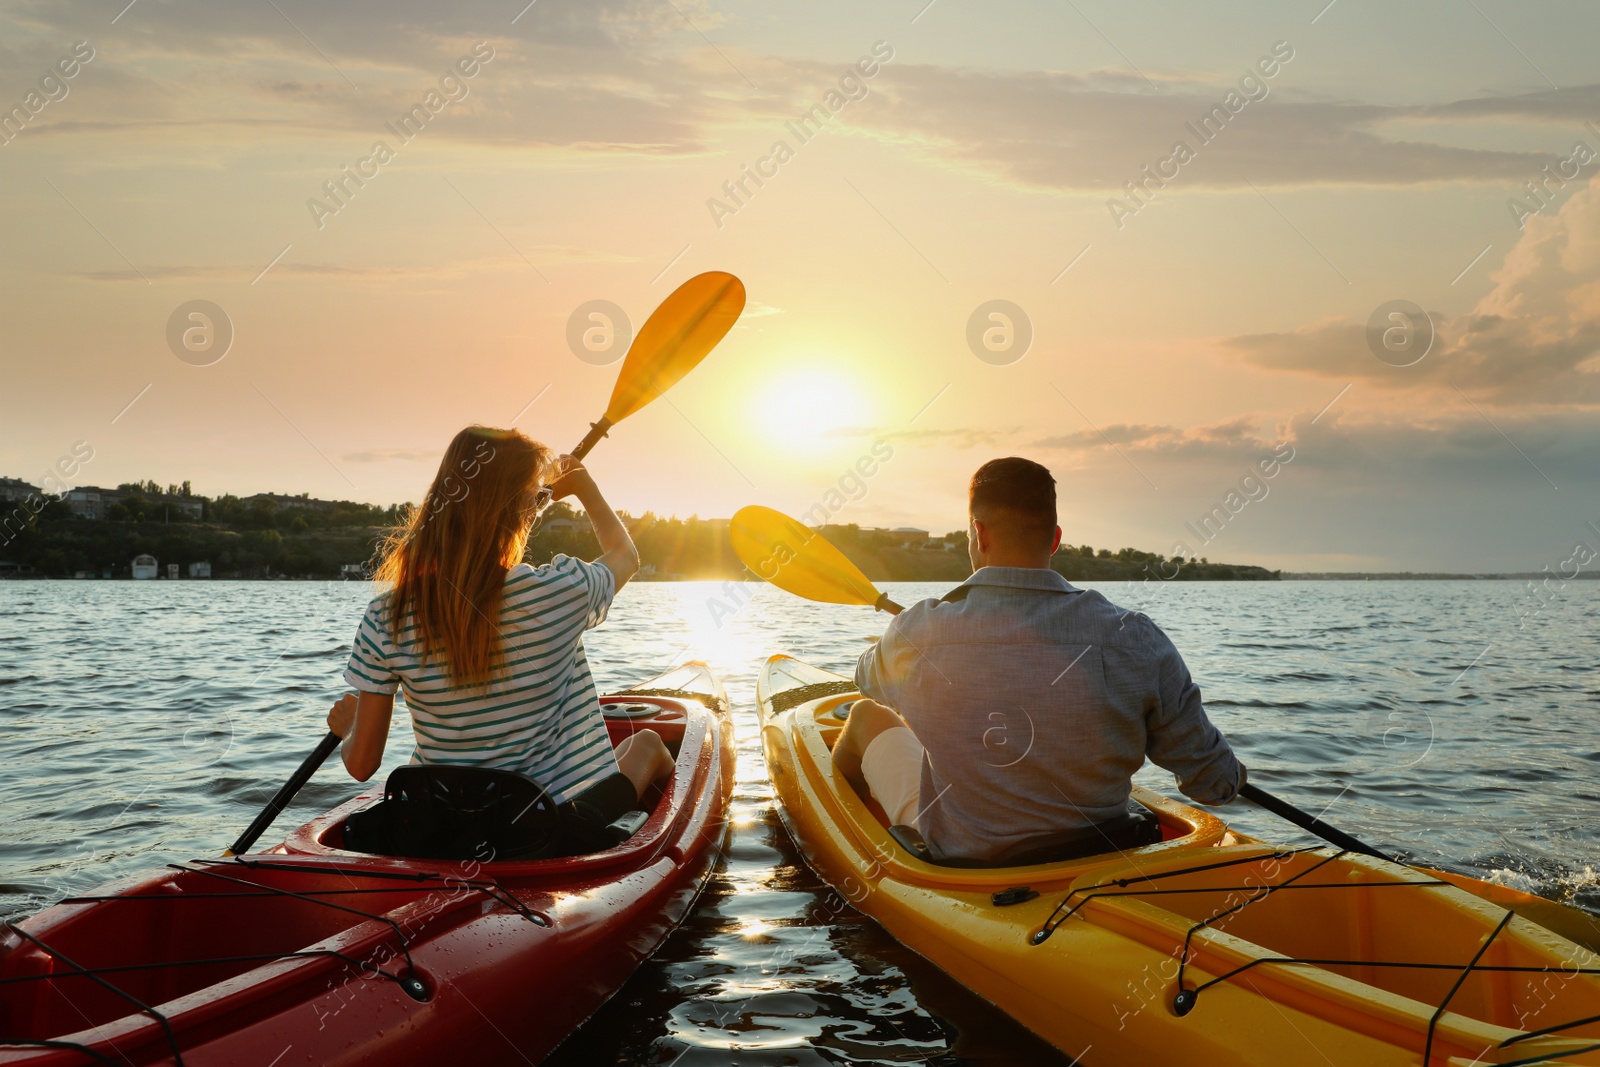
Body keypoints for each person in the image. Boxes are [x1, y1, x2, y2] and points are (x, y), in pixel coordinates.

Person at [832, 457, 1245, 866]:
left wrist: (905, 635)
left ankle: (841, 835)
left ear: (978, 533)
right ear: (1055, 539)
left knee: (866, 716)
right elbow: (1214, 786)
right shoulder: (1136, 637)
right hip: (1102, 852)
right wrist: (1233, 776)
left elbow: (867, 681)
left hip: (970, 863)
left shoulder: (918, 629)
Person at [325, 425, 673, 834]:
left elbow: (362, 764)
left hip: (437, 831)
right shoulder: (559, 591)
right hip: (546, 837)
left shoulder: (387, 615)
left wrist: (349, 728)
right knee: (648, 743)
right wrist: (584, 487)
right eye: (536, 500)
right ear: (520, 512)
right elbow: (625, 556)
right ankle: (657, 842)